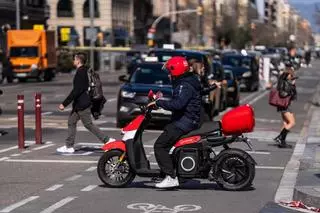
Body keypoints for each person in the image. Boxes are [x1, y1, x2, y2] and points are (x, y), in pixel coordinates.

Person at [148, 56, 218, 188]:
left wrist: (159, 103)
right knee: (168, 142)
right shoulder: (188, 81)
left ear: (175, 71)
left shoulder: (183, 85)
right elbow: (180, 100)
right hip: (189, 119)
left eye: (169, 72)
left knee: (160, 146)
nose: (168, 75)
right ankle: (167, 173)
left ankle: (171, 177)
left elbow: (178, 104)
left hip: (185, 121)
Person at [56, 52, 115, 154]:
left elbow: (77, 90)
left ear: (78, 61)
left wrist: (64, 104)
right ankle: (69, 146)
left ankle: (108, 140)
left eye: (74, 59)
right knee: (71, 122)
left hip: (83, 104)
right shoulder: (85, 70)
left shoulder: (81, 72)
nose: (73, 61)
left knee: (88, 124)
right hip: (79, 104)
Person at [273, 66, 297, 148]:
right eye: (291, 75)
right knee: (292, 122)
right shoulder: (286, 83)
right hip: (285, 105)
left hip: (283, 105)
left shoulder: (283, 81)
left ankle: (282, 141)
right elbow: (284, 94)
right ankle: (280, 138)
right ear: (287, 75)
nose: (291, 76)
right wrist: (292, 85)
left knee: (286, 123)